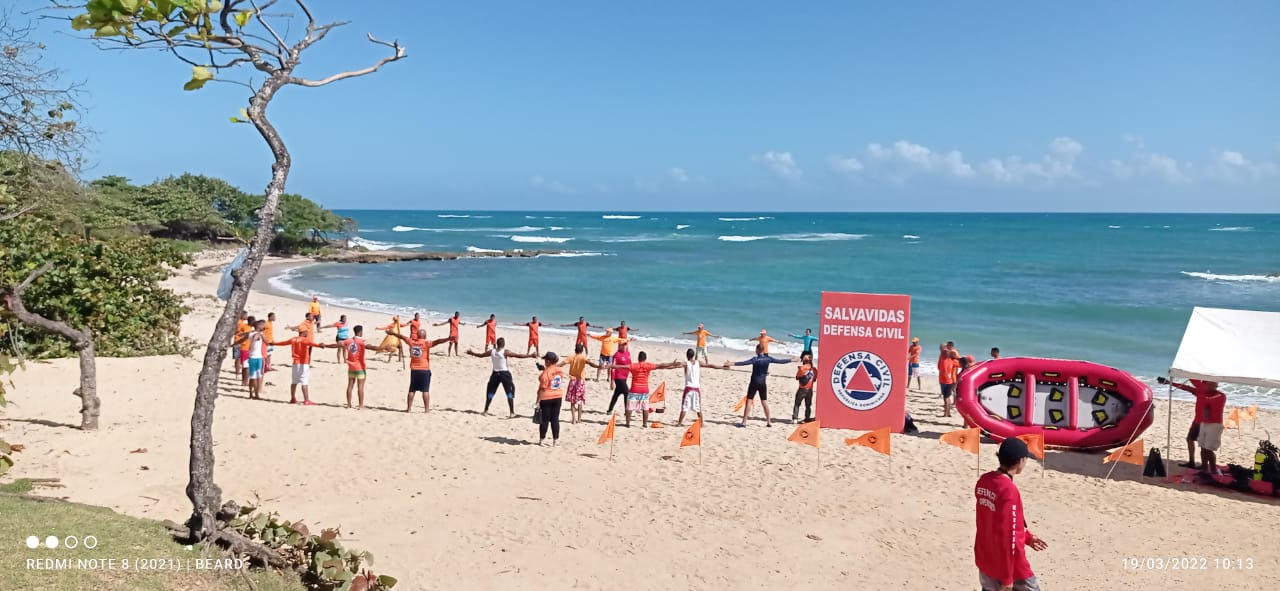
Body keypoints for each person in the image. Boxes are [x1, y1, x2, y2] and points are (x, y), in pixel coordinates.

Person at [975, 437, 1047, 591]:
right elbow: (1008, 536)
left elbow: (995, 521)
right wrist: (1008, 577)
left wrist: (1027, 537)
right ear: (1021, 461)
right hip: (1010, 566)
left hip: (986, 558)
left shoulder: (984, 480)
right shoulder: (1008, 490)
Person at [1159, 377, 1226, 473]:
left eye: (1215, 385)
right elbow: (1185, 388)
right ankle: (1195, 463)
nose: (1215, 386)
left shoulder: (1220, 395)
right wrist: (1169, 382)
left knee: (1208, 448)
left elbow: (1207, 399)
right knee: (1192, 440)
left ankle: (1212, 469)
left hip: (1213, 425)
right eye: (1211, 384)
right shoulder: (1201, 392)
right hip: (1199, 421)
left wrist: (1193, 379)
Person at [725, 345, 793, 427]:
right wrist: (791, 360)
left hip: (754, 382)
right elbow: (780, 361)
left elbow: (743, 363)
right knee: (764, 402)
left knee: (749, 401)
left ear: (757, 350)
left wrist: (731, 363)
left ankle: (744, 422)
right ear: (763, 350)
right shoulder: (768, 359)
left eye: (756, 349)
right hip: (762, 383)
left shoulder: (755, 359)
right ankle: (768, 422)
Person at [386, 326, 451, 412]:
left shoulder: (412, 342)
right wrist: (448, 338)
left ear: (417, 336)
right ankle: (426, 410)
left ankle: (408, 409)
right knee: (425, 390)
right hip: (424, 369)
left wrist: (392, 333)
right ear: (425, 336)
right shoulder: (426, 343)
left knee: (412, 389)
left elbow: (402, 337)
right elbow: (438, 341)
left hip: (414, 370)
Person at [611, 351, 682, 428]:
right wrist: (672, 364)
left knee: (630, 407)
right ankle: (644, 424)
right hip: (644, 390)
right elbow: (661, 365)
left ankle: (627, 423)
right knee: (645, 407)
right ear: (645, 358)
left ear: (638, 358)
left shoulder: (634, 366)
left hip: (634, 389)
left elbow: (622, 366)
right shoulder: (648, 365)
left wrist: (610, 366)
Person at [467, 338, 534, 417]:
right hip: (505, 374)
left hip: (495, 374)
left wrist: (472, 353)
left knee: (491, 392)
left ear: (497, 344)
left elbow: (481, 355)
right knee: (509, 392)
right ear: (504, 344)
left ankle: (485, 411)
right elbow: (518, 356)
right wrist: (530, 355)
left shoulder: (492, 351)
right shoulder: (505, 352)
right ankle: (512, 413)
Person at [270, 329, 334, 405]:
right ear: (302, 333)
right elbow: (312, 344)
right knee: (304, 382)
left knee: (294, 382)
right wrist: (320, 345)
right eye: (306, 332)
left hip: (295, 363)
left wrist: (274, 343)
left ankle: (293, 398)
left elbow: (283, 343)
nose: (307, 333)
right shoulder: (304, 340)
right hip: (303, 364)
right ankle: (306, 400)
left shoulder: (293, 339)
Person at [563, 343, 603, 424]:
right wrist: (599, 367)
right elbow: (591, 364)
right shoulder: (583, 357)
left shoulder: (571, 357)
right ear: (582, 350)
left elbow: (562, 363)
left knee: (572, 401)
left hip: (572, 380)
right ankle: (579, 419)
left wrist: (553, 366)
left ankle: (573, 419)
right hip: (580, 381)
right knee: (580, 401)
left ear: (575, 350)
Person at [677, 348, 717, 427]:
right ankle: (701, 424)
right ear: (694, 355)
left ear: (687, 355)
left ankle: (679, 423)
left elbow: (675, 365)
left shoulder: (686, 363)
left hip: (688, 388)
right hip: (696, 388)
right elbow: (711, 365)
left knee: (684, 407)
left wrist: (670, 364)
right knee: (698, 407)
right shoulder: (699, 363)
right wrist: (722, 367)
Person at [535, 352, 568, 446]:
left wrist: (537, 401)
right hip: (557, 396)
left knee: (544, 420)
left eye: (546, 360)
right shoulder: (559, 370)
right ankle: (555, 440)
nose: (544, 361)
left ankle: (542, 440)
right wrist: (544, 368)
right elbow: (552, 372)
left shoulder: (545, 373)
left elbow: (542, 388)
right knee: (555, 419)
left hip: (546, 397)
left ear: (548, 361)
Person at [232, 318, 268, 399]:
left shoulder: (251, 334)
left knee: (252, 377)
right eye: (263, 325)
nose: (264, 326)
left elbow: (241, 340)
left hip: (251, 357)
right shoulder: (258, 334)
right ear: (259, 326)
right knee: (257, 377)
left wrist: (233, 344)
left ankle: (251, 393)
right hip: (258, 358)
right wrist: (253, 343)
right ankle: (256, 394)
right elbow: (267, 342)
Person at [341, 326, 369, 409]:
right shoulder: (361, 342)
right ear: (360, 332)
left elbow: (338, 345)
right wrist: (382, 348)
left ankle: (349, 404)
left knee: (350, 385)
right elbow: (371, 347)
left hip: (351, 367)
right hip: (360, 368)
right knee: (360, 387)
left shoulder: (348, 341)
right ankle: (360, 405)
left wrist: (325, 345)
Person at [606, 341, 633, 414]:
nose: (624, 346)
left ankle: (609, 410)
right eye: (623, 345)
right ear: (619, 346)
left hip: (625, 378)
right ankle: (627, 411)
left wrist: (633, 373)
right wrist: (612, 381)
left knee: (617, 393)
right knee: (627, 393)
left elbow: (630, 365)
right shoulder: (616, 355)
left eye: (625, 345)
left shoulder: (628, 353)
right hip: (618, 377)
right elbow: (613, 368)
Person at [793, 352, 816, 423]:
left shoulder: (802, 368)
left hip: (802, 388)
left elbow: (797, 377)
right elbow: (814, 379)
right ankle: (807, 418)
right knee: (808, 405)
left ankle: (795, 418)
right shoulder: (814, 369)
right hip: (810, 389)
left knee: (797, 404)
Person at [236, 315, 256, 386]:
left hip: (247, 349)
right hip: (245, 348)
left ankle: (244, 381)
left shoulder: (249, 328)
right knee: (246, 366)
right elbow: (242, 335)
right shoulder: (246, 327)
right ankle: (245, 381)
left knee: (246, 366)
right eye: (254, 321)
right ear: (250, 321)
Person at [939, 349, 960, 417]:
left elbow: (939, 368)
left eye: (942, 353)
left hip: (944, 381)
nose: (941, 354)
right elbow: (960, 364)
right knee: (948, 397)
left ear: (945, 354)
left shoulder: (943, 361)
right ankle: (948, 413)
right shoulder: (952, 361)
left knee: (946, 398)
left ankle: (946, 414)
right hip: (950, 381)